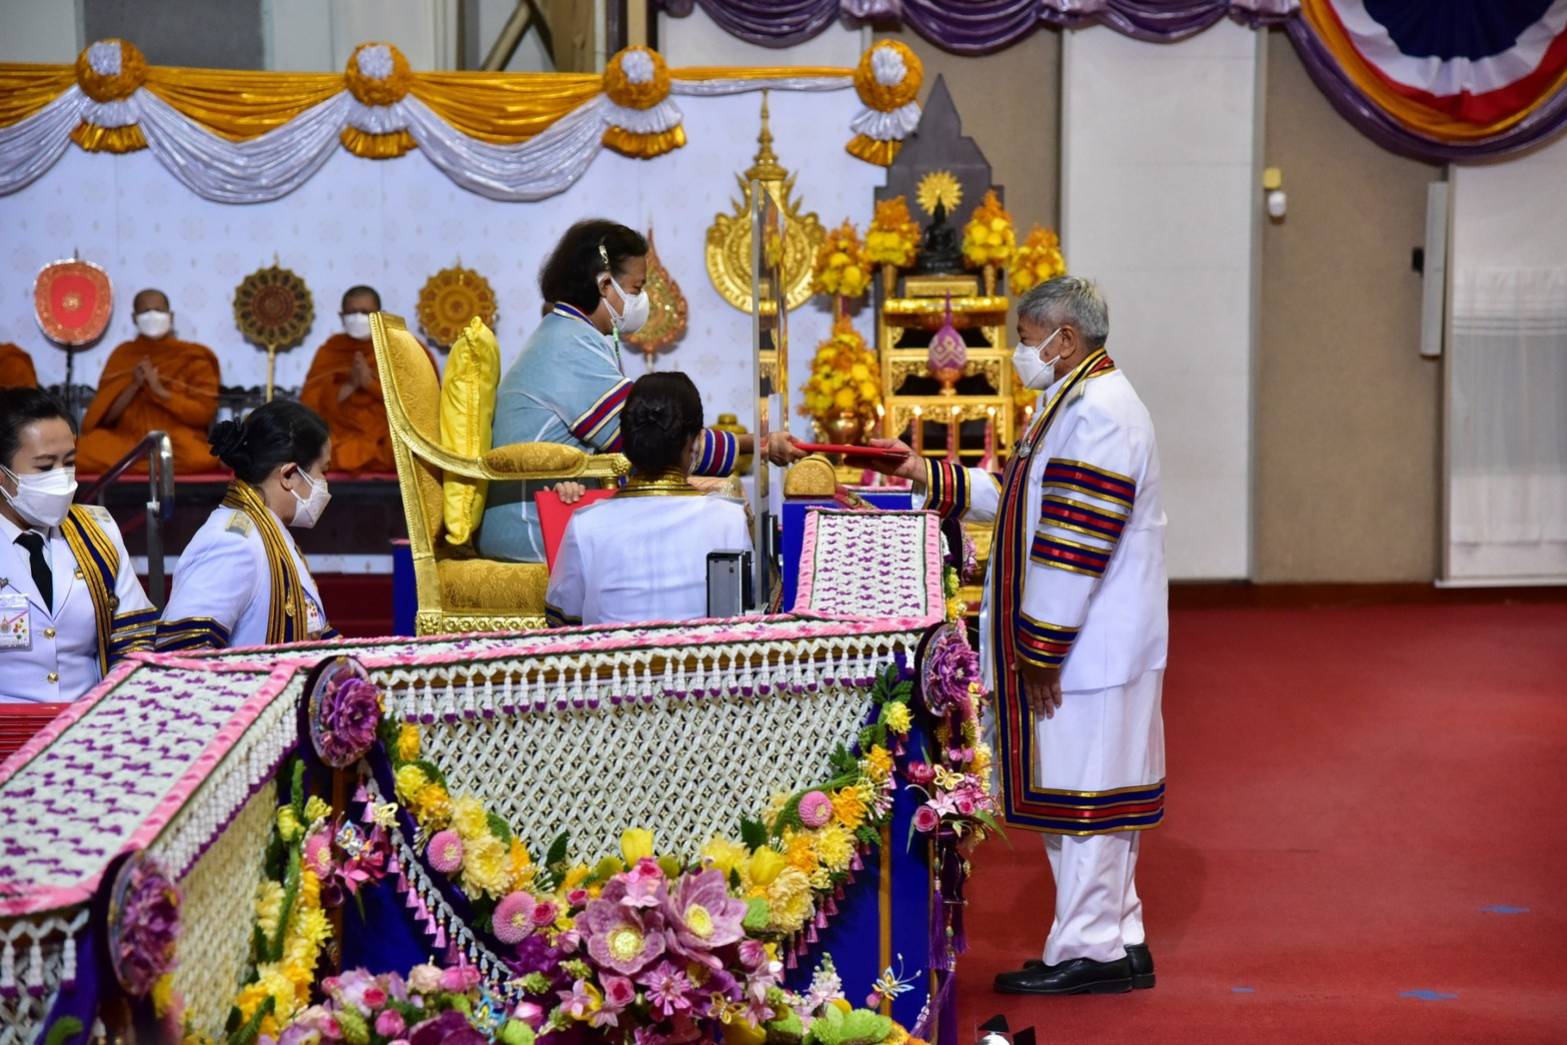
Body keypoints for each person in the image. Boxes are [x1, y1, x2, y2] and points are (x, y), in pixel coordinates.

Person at [868, 276, 1168, 996]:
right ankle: (1118, 935)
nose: (1019, 354)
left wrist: (1038, 648)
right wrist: (923, 472)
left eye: (1028, 340)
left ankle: (1090, 949)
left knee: (1086, 798)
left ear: (1065, 338)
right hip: (1091, 641)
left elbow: (1072, 543)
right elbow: (1019, 501)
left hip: (1087, 645)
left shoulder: (1098, 413)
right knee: (1093, 791)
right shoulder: (1072, 401)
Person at [478, 219, 804, 563]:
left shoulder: (570, 333)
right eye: (636, 289)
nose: (640, 300)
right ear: (605, 285)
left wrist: (759, 444)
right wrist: (759, 445)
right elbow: (653, 439)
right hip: (533, 525)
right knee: (713, 513)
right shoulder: (568, 345)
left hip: (557, 506)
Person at [545, 372, 750, 627]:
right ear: (695, 442)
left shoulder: (586, 524)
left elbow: (563, 619)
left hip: (615, 654)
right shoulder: (729, 518)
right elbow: (748, 611)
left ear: (626, 440)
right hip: (701, 654)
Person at [0, 387, 156, 702]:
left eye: (69, 462)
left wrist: (119, 706)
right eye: (45, 467)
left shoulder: (97, 531)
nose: (62, 478)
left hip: (88, 719)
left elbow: (134, 638)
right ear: (3, 476)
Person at [156, 400, 339, 650]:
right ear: (288, 475)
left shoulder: (269, 532)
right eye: (323, 471)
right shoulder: (233, 542)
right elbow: (183, 652)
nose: (324, 484)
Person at [76, 289, 222, 474]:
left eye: (158, 310)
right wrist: (134, 385)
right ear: (134, 318)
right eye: (145, 311)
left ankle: (131, 465)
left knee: (199, 457)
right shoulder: (123, 354)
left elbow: (203, 414)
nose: (152, 315)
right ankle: (151, 464)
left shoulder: (192, 356)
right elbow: (105, 418)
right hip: (126, 440)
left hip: (174, 440)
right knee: (80, 452)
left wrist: (159, 390)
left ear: (171, 316)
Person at [300, 285, 394, 474]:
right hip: (340, 435)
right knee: (313, 447)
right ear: (341, 316)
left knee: (401, 448)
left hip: (383, 439)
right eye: (352, 313)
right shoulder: (330, 351)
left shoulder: (398, 348)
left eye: (365, 312)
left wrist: (370, 384)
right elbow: (309, 405)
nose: (358, 318)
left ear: (381, 315)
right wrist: (350, 385)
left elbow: (416, 403)